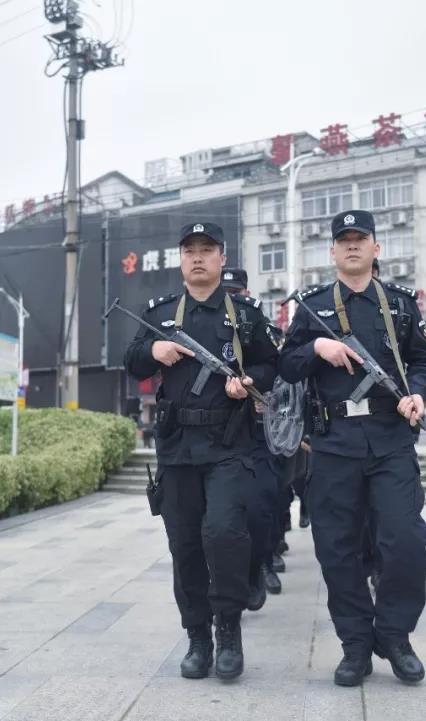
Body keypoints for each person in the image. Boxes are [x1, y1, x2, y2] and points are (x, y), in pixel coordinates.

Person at [280, 209, 426, 687]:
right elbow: (284, 366)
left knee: (404, 541)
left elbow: (424, 361)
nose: (352, 246)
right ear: (331, 251)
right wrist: (316, 351)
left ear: (376, 248)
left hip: (391, 440)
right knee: (338, 549)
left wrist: (418, 393)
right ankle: (354, 645)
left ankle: (394, 635)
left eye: (360, 239)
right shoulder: (310, 308)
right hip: (333, 445)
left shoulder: (402, 304)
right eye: (343, 240)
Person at [123, 222, 278, 682]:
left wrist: (249, 383)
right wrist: (155, 347)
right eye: (189, 250)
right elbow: (132, 361)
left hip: (231, 446)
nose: (197, 257)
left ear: (221, 258)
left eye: (206, 250)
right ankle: (197, 636)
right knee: (185, 546)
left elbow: (274, 362)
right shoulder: (162, 312)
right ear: (181, 260)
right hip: (177, 450)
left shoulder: (245, 314)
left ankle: (228, 629)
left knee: (226, 536)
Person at [221, 267, 284, 605]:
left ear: (246, 292)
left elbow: (281, 375)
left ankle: (261, 564)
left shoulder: (261, 327)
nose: (231, 297)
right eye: (225, 291)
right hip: (220, 434)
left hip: (260, 432)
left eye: (236, 292)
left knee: (263, 506)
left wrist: (261, 392)